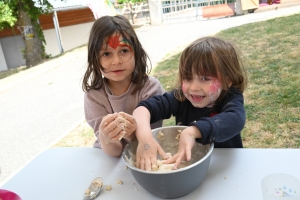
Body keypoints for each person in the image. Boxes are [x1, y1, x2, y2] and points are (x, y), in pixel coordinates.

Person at [132, 36, 248, 170]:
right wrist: (146, 139)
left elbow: (235, 119)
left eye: (205, 78)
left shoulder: (230, 98)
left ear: (227, 81)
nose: (193, 87)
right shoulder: (181, 98)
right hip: (191, 167)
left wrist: (193, 131)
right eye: (187, 78)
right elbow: (143, 109)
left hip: (226, 168)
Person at [82, 15, 164, 157]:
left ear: (136, 53)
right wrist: (106, 137)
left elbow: (150, 142)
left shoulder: (150, 89)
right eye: (106, 53)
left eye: (124, 51)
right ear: (95, 60)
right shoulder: (94, 97)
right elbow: (114, 152)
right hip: (110, 161)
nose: (116, 61)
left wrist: (133, 134)